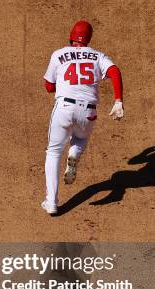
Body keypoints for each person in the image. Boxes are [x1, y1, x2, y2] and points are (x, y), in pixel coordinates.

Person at [41, 20, 124, 215]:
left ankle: (51, 202)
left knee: (53, 152)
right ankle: (75, 154)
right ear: (89, 39)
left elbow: (49, 86)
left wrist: (62, 83)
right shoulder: (97, 56)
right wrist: (118, 100)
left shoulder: (59, 54)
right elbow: (114, 71)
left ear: (71, 37)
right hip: (88, 112)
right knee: (81, 138)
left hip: (64, 108)